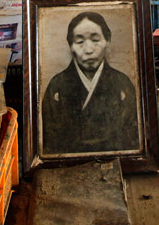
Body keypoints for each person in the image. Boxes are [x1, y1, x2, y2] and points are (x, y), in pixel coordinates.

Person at [41, 11, 139, 155]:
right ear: (70, 45)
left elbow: (130, 136)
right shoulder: (57, 86)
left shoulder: (122, 84)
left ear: (107, 41)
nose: (88, 50)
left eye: (95, 40)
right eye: (80, 42)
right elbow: (51, 140)